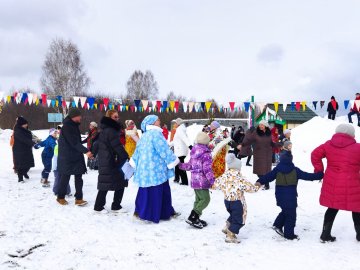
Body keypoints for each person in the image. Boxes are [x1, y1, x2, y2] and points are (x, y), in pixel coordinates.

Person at [256, 142, 324, 240]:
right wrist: (319, 175)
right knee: (291, 216)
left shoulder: (277, 169)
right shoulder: (295, 170)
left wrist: (259, 181)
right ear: (291, 160)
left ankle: (277, 225)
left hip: (279, 196)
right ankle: (289, 234)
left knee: (285, 211)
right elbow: (308, 176)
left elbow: (268, 177)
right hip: (291, 197)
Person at [311, 123, 360, 242]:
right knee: (357, 209)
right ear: (352, 134)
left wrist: (319, 170)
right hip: (352, 183)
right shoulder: (358, 147)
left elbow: (314, 155)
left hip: (332, 182)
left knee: (332, 207)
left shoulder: (328, 145)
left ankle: (325, 234)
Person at [132, 115, 180, 223]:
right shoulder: (156, 134)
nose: (160, 120)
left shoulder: (144, 135)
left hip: (144, 170)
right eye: (158, 119)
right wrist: (173, 160)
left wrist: (134, 162)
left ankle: (140, 211)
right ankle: (158, 213)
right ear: (153, 122)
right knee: (158, 191)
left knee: (144, 190)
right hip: (156, 170)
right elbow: (164, 150)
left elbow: (137, 152)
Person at [213, 153, 259, 243]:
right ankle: (231, 234)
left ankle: (227, 227)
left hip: (227, 201)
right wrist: (256, 186)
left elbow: (215, 185)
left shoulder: (224, 176)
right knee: (240, 218)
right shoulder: (239, 178)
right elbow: (250, 188)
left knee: (234, 215)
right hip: (237, 202)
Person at [93, 110, 130, 213]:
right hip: (111, 160)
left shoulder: (105, 129)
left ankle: (106, 206)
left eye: (118, 117)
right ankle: (107, 206)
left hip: (107, 159)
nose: (117, 119)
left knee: (108, 183)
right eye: (115, 117)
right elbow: (117, 146)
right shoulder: (111, 130)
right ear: (109, 118)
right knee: (116, 182)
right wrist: (126, 156)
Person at [56, 108, 93, 206]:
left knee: (78, 177)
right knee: (65, 177)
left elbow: (76, 142)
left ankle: (79, 198)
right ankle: (60, 197)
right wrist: (86, 151)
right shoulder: (67, 126)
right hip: (67, 157)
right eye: (79, 116)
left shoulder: (73, 125)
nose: (81, 117)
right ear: (74, 116)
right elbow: (74, 142)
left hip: (75, 156)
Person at [179, 132, 215, 229]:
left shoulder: (194, 152)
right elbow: (207, 169)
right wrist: (212, 181)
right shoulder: (206, 154)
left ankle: (196, 217)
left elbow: (190, 166)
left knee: (198, 200)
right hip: (202, 182)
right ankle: (193, 216)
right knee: (205, 199)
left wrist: (180, 165)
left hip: (195, 181)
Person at [238, 120, 275, 190]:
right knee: (259, 171)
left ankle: (266, 185)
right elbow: (249, 140)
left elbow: (271, 143)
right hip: (258, 153)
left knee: (266, 170)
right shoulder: (256, 132)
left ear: (265, 126)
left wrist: (278, 146)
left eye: (262, 125)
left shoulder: (269, 133)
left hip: (267, 153)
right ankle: (263, 181)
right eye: (260, 124)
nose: (260, 126)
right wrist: (242, 144)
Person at [12, 116, 36, 182]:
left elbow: (29, 138)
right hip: (19, 150)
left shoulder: (25, 130)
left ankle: (24, 172)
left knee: (28, 164)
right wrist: (33, 143)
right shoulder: (18, 131)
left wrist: (35, 141)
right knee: (21, 165)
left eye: (26, 123)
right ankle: (20, 178)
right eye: (25, 124)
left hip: (26, 149)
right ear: (21, 124)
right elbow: (24, 139)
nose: (26, 125)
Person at [171, 118, 192, 185]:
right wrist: (168, 144)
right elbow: (175, 141)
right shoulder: (180, 129)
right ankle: (177, 178)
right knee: (177, 164)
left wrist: (190, 146)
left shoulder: (180, 130)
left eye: (175, 123)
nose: (175, 124)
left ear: (178, 123)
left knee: (180, 165)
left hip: (180, 151)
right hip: (180, 150)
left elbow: (184, 138)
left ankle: (184, 181)